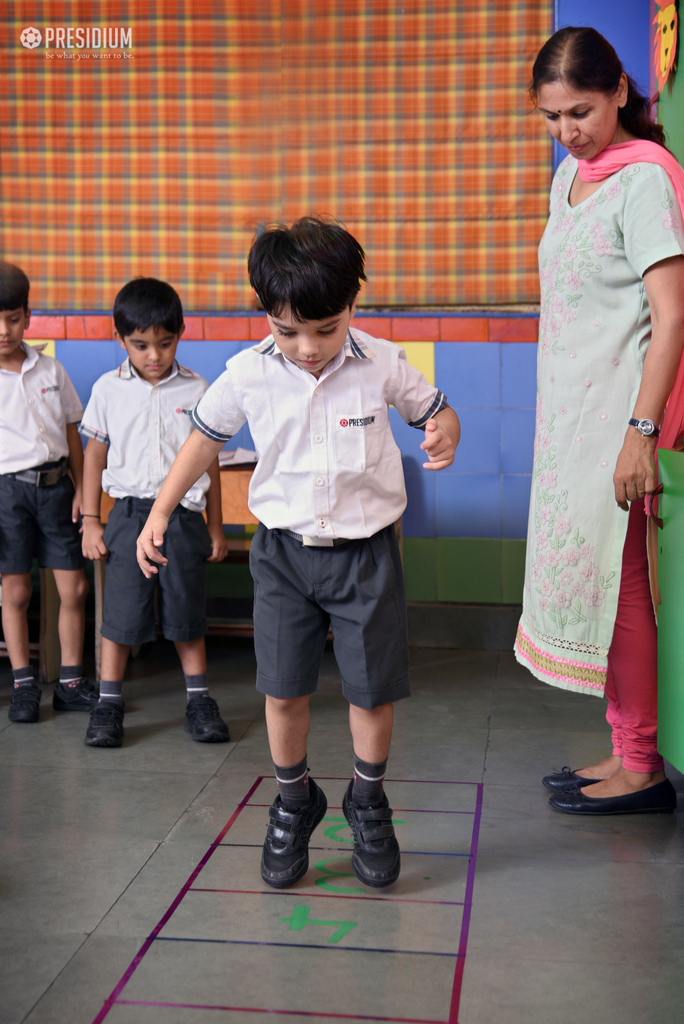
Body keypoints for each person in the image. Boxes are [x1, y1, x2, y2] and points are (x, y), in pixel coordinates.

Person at [136, 218, 461, 887]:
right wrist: (161, 513)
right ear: (266, 317)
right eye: (289, 332)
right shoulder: (245, 375)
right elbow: (201, 443)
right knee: (282, 691)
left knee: (370, 693)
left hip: (366, 555)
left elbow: (435, 409)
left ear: (352, 308)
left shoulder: (382, 362)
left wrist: (443, 430)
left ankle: (367, 801)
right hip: (283, 556)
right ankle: (293, 801)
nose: (308, 348)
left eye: (326, 328)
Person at [516, 27, 684, 814]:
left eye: (579, 111)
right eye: (552, 118)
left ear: (621, 89)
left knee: (623, 594)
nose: (568, 132)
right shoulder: (571, 178)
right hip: (569, 424)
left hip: (620, 421)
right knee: (595, 590)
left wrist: (640, 433)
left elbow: (671, 316)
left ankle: (642, 765)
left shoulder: (645, 180)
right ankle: (623, 749)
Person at [80, 277, 230, 748]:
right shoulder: (107, 389)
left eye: (165, 344)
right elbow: (93, 457)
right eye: (141, 345)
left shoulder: (197, 387)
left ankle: (199, 700)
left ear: (180, 334)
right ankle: (108, 703)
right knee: (121, 615)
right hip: (127, 516)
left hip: (183, 518)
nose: (154, 356)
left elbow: (210, 461)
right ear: (120, 337)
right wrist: (90, 520)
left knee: (186, 611)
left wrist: (215, 525)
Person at [0, 261, 93, 723]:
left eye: (13, 319)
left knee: (74, 587)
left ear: (28, 315)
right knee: (16, 593)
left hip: (57, 489)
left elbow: (72, 432)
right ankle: (23, 685)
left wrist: (81, 490)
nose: (4, 330)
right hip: (6, 497)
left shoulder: (50, 369)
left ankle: (71, 684)